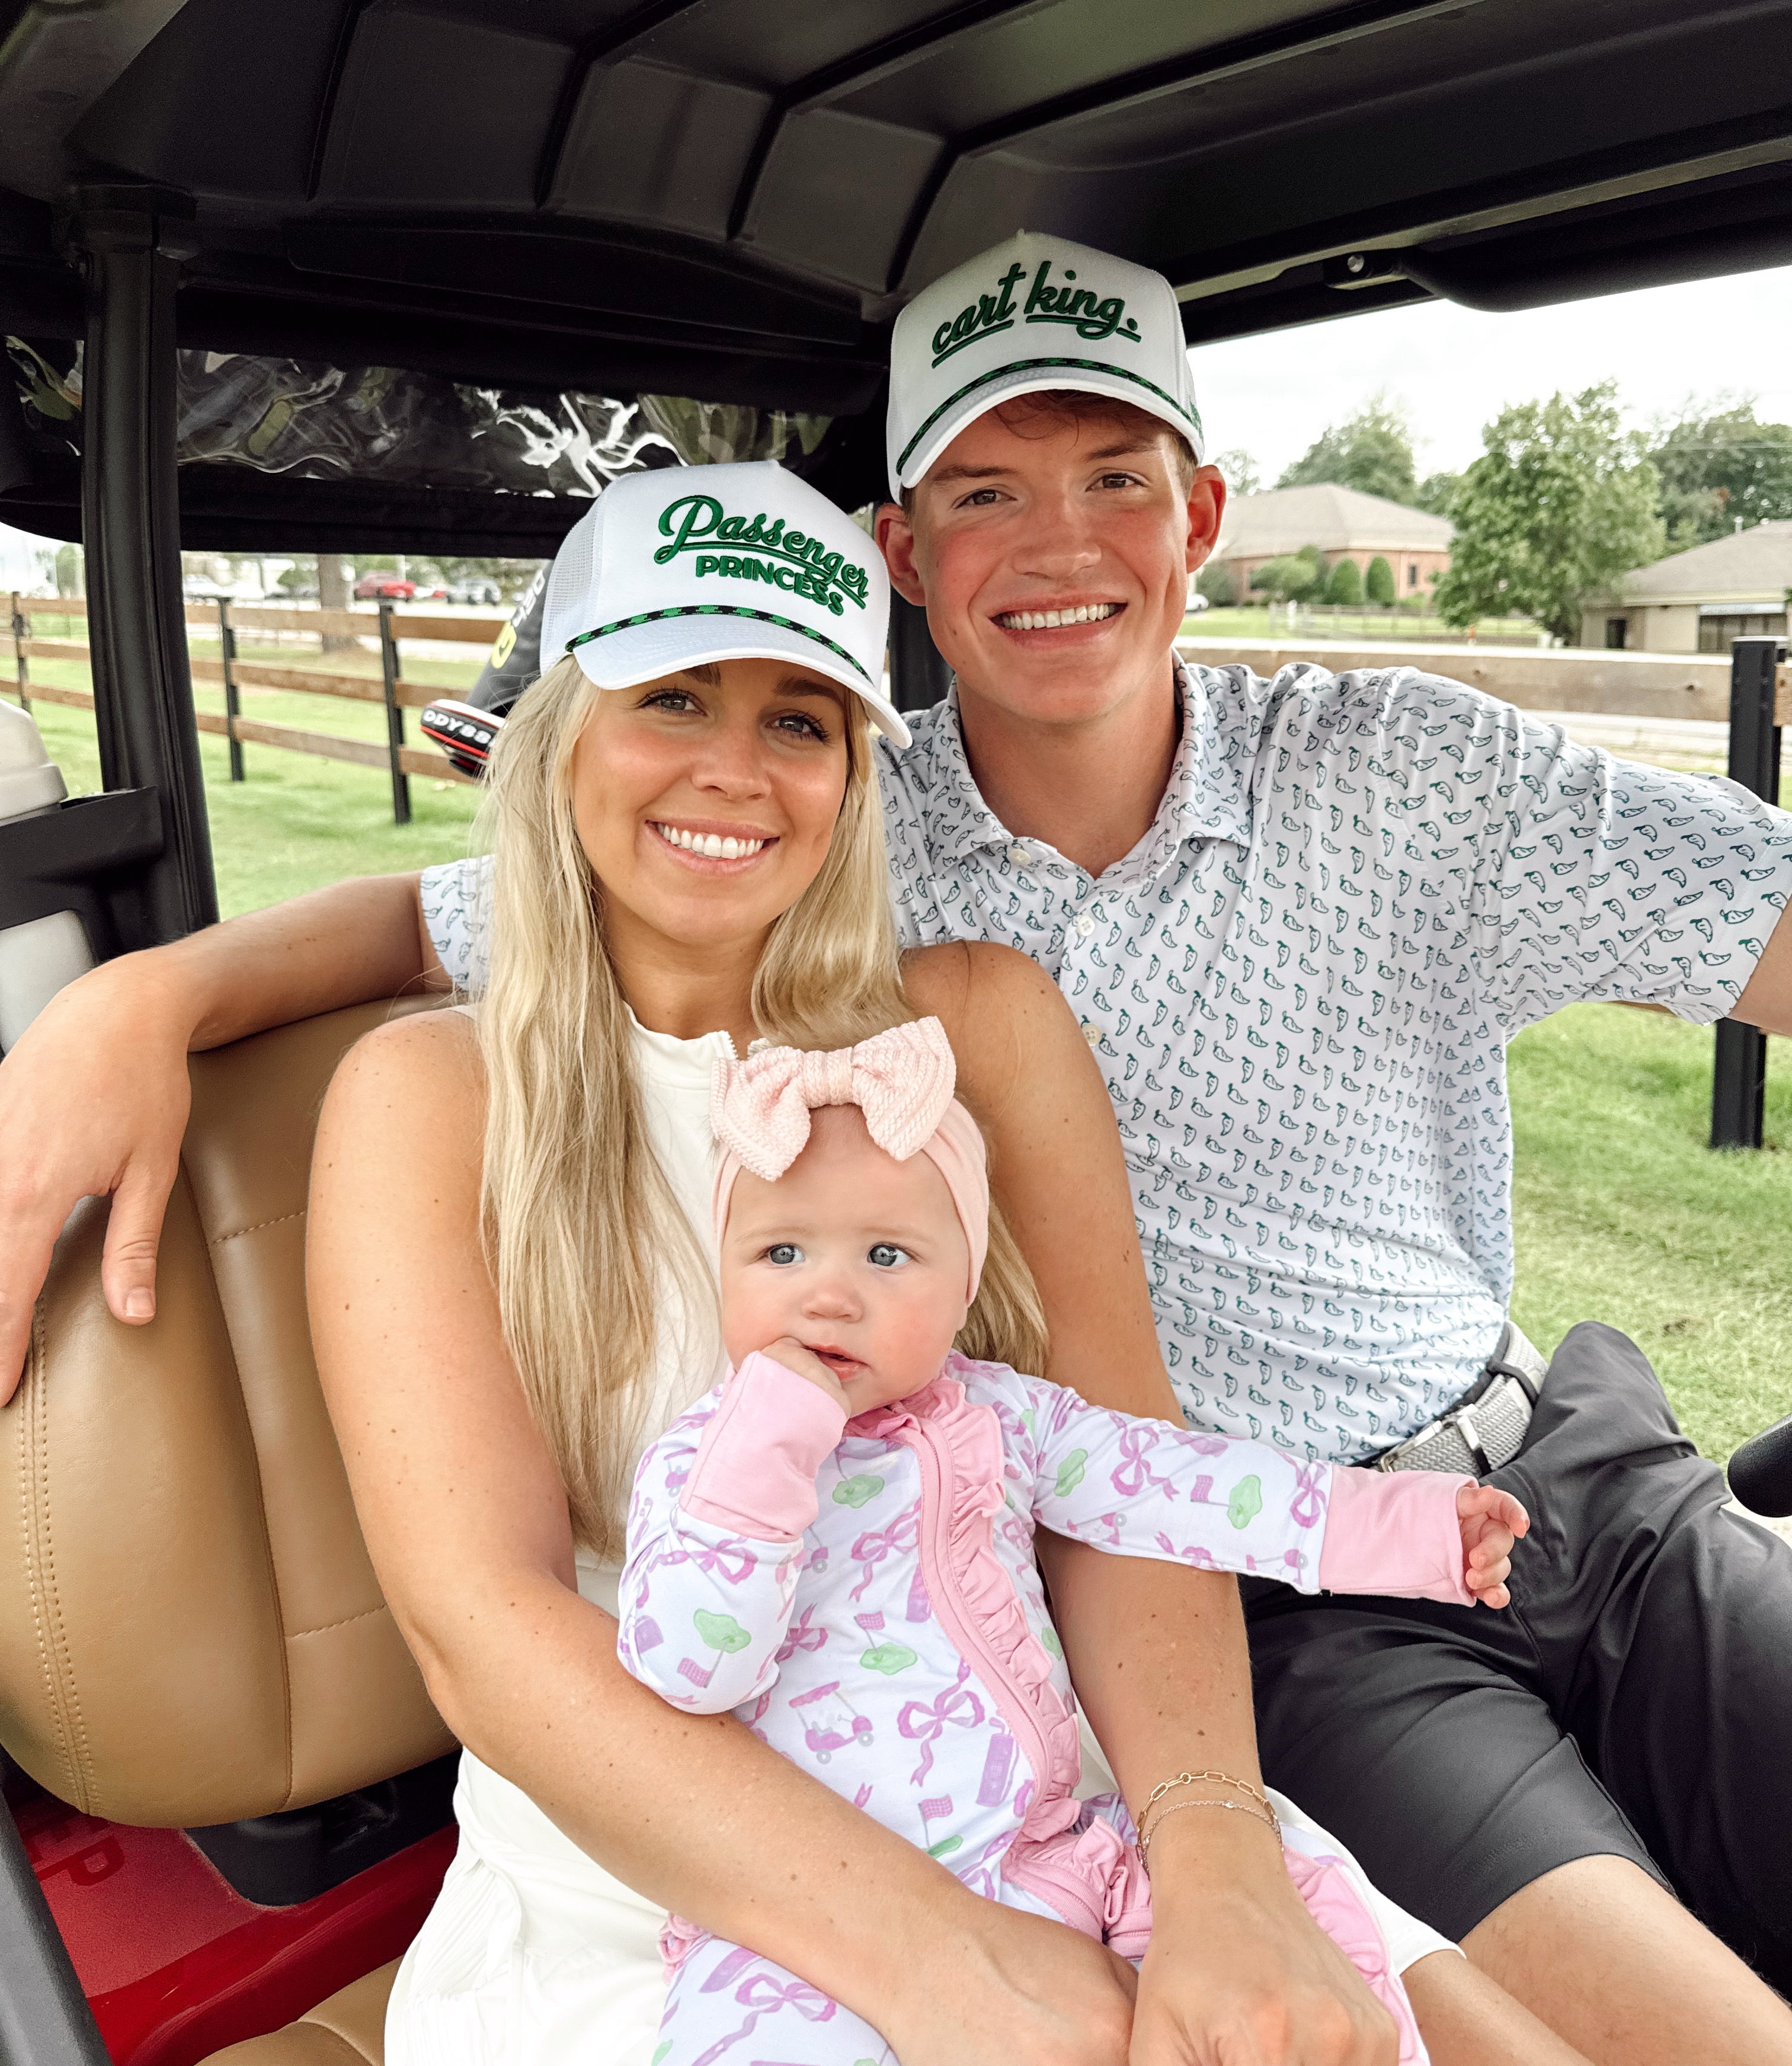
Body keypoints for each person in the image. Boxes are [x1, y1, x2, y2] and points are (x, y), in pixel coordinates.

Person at [2, 230, 1788, 2058]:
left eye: (798, 720)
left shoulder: (972, 1011)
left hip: (1170, 1681)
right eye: (669, 698)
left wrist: (1217, 1856)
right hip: (734, 1834)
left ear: (867, 764)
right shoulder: (453, 1083)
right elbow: (486, 1615)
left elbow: (1118, 1457)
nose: (734, 768)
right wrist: (127, 1002)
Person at [620, 1015, 1531, 2066]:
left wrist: (1413, 1527)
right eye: (782, 1251)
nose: (831, 1291)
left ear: (963, 1285)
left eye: (887, 1254)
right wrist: (771, 1441)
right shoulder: (705, 1460)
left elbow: (1189, 1488)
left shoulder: (1009, 1420)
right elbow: (690, 1668)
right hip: (808, 1918)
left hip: (1049, 1857)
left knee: (1312, 1928)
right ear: (723, 1275)